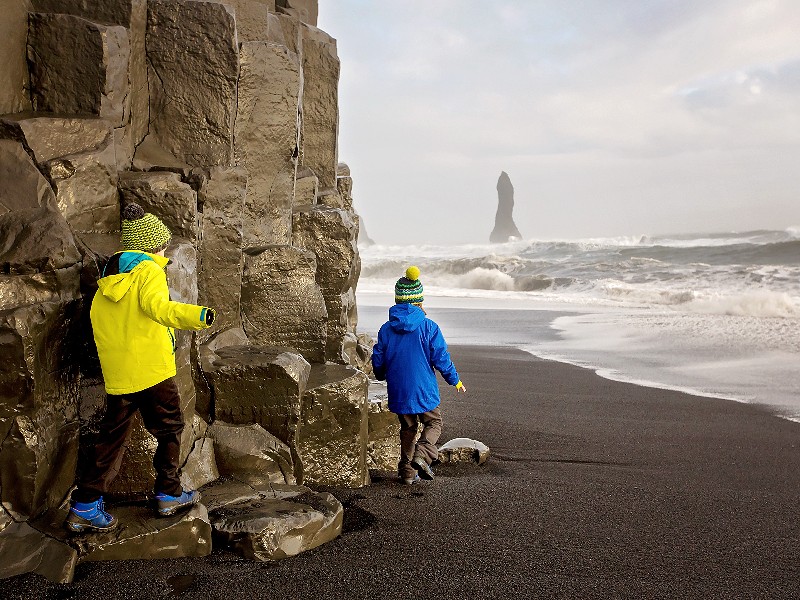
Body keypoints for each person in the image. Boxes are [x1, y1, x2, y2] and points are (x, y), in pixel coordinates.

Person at [65, 203, 217, 533]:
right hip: (152, 372)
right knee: (170, 429)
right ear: (152, 246)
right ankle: (168, 494)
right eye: (162, 245)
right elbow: (158, 308)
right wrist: (198, 315)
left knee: (112, 438)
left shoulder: (108, 280)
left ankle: (85, 505)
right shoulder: (148, 271)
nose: (165, 251)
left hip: (120, 376)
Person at [371, 266, 466, 485]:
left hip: (399, 391)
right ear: (419, 301)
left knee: (408, 428)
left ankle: (406, 472)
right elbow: (441, 358)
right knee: (434, 423)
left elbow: (378, 359)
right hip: (423, 390)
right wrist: (455, 380)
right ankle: (423, 455)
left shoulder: (386, 329)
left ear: (398, 301)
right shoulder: (429, 327)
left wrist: (380, 374)